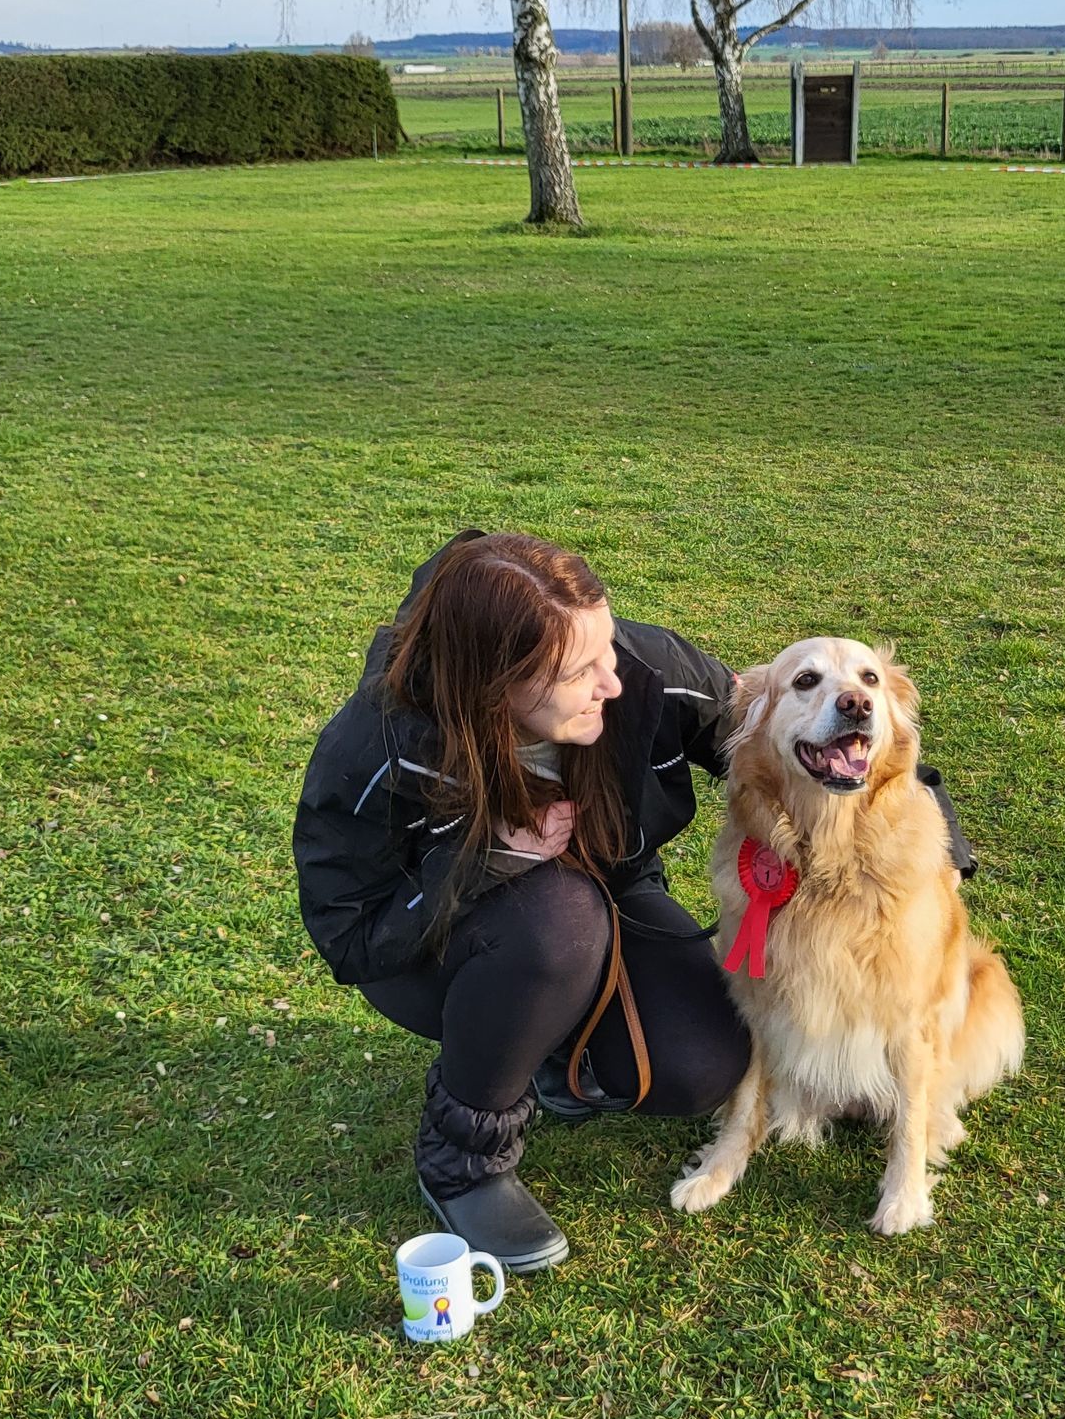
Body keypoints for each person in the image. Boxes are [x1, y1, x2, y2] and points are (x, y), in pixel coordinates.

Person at [293, 532, 753, 1275]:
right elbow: (350, 934)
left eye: (608, 648)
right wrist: (486, 858)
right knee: (556, 922)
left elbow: (793, 732)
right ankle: (462, 1165)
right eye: (580, 672)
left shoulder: (645, 670)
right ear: (495, 686)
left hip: (615, 893)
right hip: (446, 944)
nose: (613, 683)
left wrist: (932, 851)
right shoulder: (381, 738)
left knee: (699, 1067)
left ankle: (551, 1051)